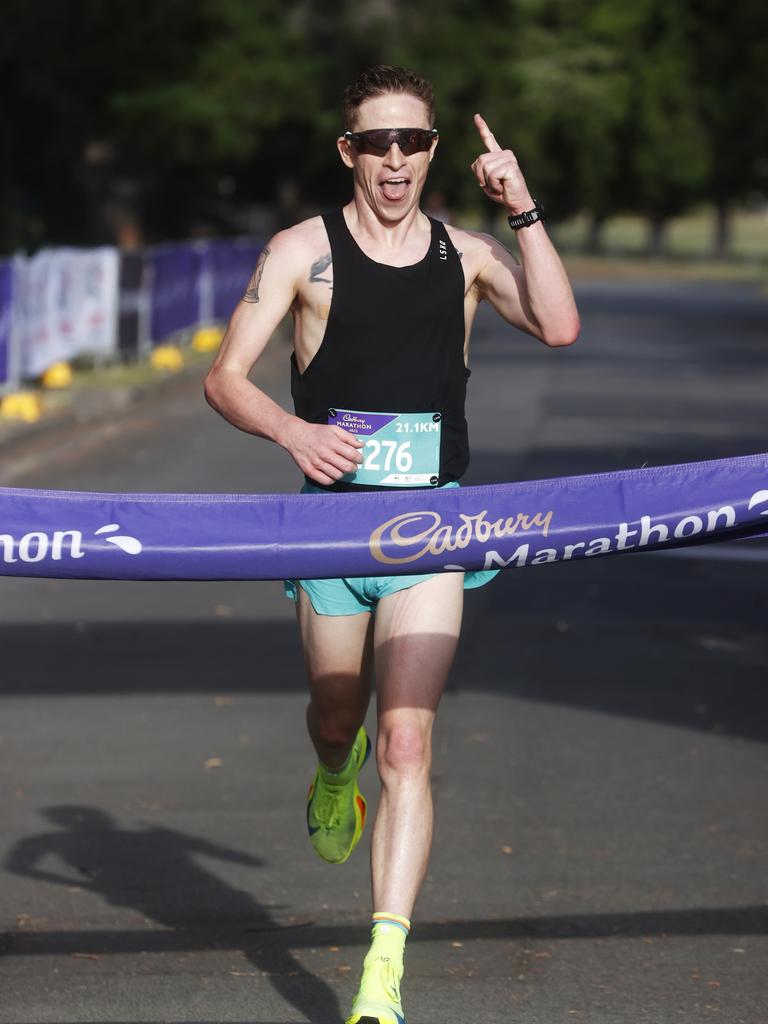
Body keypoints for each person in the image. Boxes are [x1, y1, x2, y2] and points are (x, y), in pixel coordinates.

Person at [204, 64, 579, 1024]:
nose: (396, 159)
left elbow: (560, 326)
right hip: (332, 531)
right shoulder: (304, 253)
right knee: (342, 720)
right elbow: (225, 378)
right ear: (349, 152)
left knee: (408, 741)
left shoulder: (469, 252)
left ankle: (383, 966)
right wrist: (293, 434)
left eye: (413, 140)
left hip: (431, 527)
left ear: (433, 151)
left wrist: (524, 207)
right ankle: (335, 772)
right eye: (377, 142)